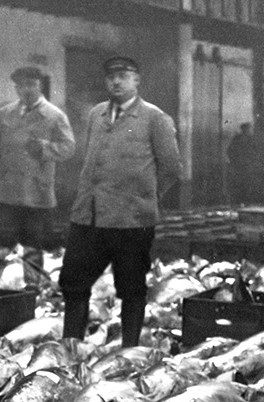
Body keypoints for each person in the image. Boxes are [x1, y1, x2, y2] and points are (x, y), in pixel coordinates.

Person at [60, 55, 180, 350]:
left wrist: (144, 198)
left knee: (131, 288)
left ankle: (129, 351)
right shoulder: (96, 114)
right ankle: (70, 347)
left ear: (136, 81)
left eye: (123, 76)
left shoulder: (155, 118)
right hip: (89, 217)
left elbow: (171, 169)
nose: (116, 82)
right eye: (111, 77)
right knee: (73, 282)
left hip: (131, 223)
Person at [0, 66, 74, 249]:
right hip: (6, 193)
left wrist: (44, 148)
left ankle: (32, 266)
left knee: (33, 251)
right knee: (2, 249)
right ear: (16, 89)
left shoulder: (55, 115)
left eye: (31, 84)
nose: (27, 89)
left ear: (40, 86)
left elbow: (69, 148)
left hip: (37, 194)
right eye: (21, 86)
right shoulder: (4, 113)